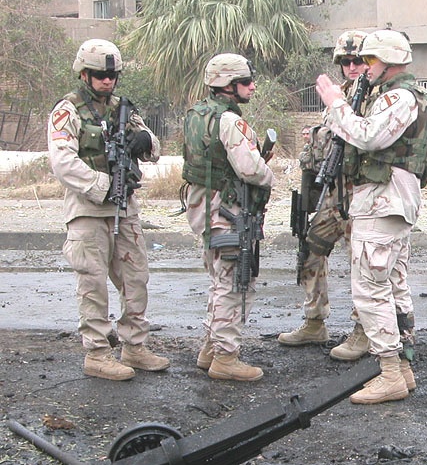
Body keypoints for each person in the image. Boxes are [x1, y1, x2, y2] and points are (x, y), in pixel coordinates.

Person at [315, 29, 427, 404]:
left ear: (388, 62)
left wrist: (336, 104)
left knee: (371, 288)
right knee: (393, 285)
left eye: (369, 61)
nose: (363, 67)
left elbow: (367, 137)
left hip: (383, 201)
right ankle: (403, 368)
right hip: (386, 201)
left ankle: (389, 373)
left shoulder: (398, 97)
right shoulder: (394, 95)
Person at [48, 39, 169, 381]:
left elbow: (151, 145)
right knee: (93, 283)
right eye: (101, 75)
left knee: (136, 279)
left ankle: (134, 345)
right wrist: (102, 186)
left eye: (112, 75)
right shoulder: (67, 110)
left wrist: (145, 142)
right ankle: (98, 353)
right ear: (85, 74)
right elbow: (63, 162)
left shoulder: (122, 109)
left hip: (125, 207)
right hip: (88, 210)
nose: (107, 81)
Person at [278, 30, 372, 360]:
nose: (352, 66)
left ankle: (365, 330)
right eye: (346, 61)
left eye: (358, 60)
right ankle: (314, 321)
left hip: (361, 195)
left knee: (363, 266)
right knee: (311, 250)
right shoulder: (339, 96)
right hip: (333, 195)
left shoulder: (375, 97)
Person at [182, 53, 274, 382]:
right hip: (227, 208)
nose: (252, 87)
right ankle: (225, 355)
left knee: (220, 279)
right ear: (229, 85)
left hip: (204, 206)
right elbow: (250, 168)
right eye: (246, 82)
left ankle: (210, 347)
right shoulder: (230, 121)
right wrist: (270, 176)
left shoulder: (196, 114)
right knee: (235, 282)